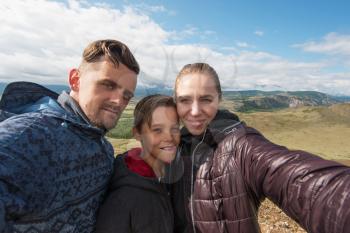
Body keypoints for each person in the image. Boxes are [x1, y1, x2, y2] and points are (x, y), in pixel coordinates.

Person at [170, 62, 350, 233]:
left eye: (206, 99)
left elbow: (297, 178)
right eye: (185, 100)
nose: (194, 111)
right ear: (175, 102)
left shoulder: (241, 144)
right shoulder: (172, 151)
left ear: (219, 99)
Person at [0, 39, 139, 232]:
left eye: (126, 96)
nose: (118, 101)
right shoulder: (29, 135)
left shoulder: (104, 148)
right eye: (108, 85)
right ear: (75, 80)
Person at [95, 94, 181, 233]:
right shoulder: (123, 199)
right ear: (137, 133)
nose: (169, 137)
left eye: (174, 128)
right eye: (157, 130)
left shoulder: (168, 178)